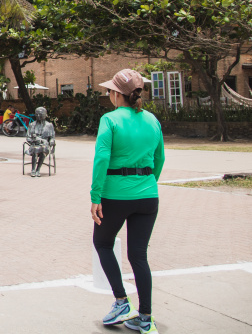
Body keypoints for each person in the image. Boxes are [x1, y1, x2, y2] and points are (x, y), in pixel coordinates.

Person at [90, 69, 164, 334]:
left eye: (110, 90)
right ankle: (145, 318)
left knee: (102, 243)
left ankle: (121, 301)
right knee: (139, 256)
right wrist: (146, 183)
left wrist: (95, 196)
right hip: (148, 195)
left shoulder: (109, 120)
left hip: (115, 194)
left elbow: (101, 159)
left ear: (116, 94)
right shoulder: (152, 120)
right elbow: (160, 159)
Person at [25, 106, 55, 177]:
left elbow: (52, 137)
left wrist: (51, 141)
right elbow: (28, 138)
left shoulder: (49, 125)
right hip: (34, 145)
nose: (39, 116)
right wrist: (34, 141)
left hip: (45, 146)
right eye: (37, 114)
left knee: (43, 149)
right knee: (36, 149)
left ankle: (38, 170)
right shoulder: (31, 125)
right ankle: (33, 170)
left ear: (45, 115)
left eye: (41, 114)